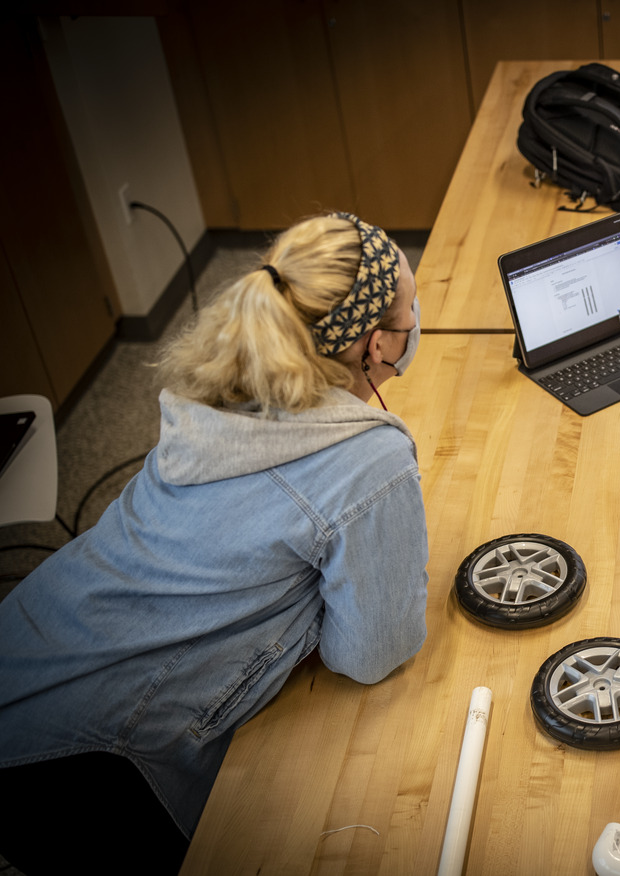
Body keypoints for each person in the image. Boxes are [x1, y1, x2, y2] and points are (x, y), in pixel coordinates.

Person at [0, 212, 429, 875]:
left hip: (26, 646)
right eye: (410, 310)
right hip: (90, 760)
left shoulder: (214, 383)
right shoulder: (368, 459)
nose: (418, 321)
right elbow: (371, 654)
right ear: (376, 346)